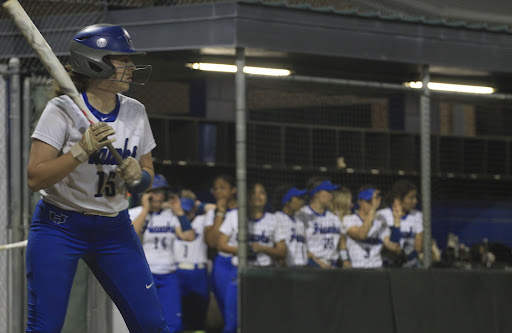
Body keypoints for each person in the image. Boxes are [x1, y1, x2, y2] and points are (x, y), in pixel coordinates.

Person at [25, 23, 168, 332]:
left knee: (151, 324)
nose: (131, 67)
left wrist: (139, 178)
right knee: (44, 327)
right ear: (94, 62)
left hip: (114, 228)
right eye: (122, 59)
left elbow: (148, 173)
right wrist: (81, 150)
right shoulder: (60, 109)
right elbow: (35, 178)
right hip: (60, 226)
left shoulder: (135, 111)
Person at [217, 182, 287, 333]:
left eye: (262, 192)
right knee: (232, 323)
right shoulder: (234, 215)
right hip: (240, 273)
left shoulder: (274, 219)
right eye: (253, 192)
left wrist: (263, 248)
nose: (257, 196)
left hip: (265, 274)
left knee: (264, 321)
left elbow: (282, 251)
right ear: (246, 197)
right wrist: (243, 250)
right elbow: (221, 244)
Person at [130, 174, 196, 332]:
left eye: (160, 192)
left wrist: (179, 211)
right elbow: (133, 236)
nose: (157, 196)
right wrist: (145, 209)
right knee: (146, 320)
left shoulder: (171, 215)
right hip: (146, 275)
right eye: (153, 191)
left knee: (173, 322)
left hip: (169, 275)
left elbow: (189, 236)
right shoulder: (135, 212)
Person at [174, 189, 216, 331]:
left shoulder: (202, 220)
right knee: (178, 316)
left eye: (189, 210)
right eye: (183, 211)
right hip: (177, 271)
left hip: (198, 273)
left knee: (199, 317)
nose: (187, 214)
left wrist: (198, 204)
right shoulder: (174, 219)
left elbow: (216, 209)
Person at [203, 174, 238, 324]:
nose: (218, 192)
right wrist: (220, 213)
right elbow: (212, 241)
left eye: (223, 188)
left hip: (242, 261)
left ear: (233, 190)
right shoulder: (212, 213)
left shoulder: (243, 211)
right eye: (215, 189)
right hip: (222, 264)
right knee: (227, 310)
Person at [343, 186, 402, 268]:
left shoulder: (380, 221)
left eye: (374, 201)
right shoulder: (349, 219)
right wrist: (373, 209)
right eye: (369, 201)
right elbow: (361, 235)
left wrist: (397, 220)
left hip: (376, 268)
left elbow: (395, 248)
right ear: (359, 202)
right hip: (356, 268)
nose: (372, 204)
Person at [295, 178, 343, 269]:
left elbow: (342, 242)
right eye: (328, 192)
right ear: (316, 193)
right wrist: (320, 264)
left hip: (334, 266)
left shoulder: (334, 217)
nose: (331, 196)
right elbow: (299, 246)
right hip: (311, 266)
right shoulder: (302, 215)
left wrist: (345, 260)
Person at [377, 179, 423, 267]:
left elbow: (418, 247)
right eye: (411, 198)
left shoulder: (417, 215)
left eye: (415, 197)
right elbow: (391, 245)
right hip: (387, 265)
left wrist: (406, 259)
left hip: (409, 265)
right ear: (398, 199)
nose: (415, 201)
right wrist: (397, 219)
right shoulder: (382, 215)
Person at [273, 184, 308, 267]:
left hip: (302, 267)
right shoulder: (276, 218)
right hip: (285, 268)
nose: (302, 201)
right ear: (287, 201)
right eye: (298, 198)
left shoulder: (300, 222)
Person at [330, 187, 353, 268]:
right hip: (335, 261)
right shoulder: (332, 219)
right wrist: (345, 259)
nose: (352, 205)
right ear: (342, 203)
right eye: (349, 201)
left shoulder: (350, 219)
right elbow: (341, 242)